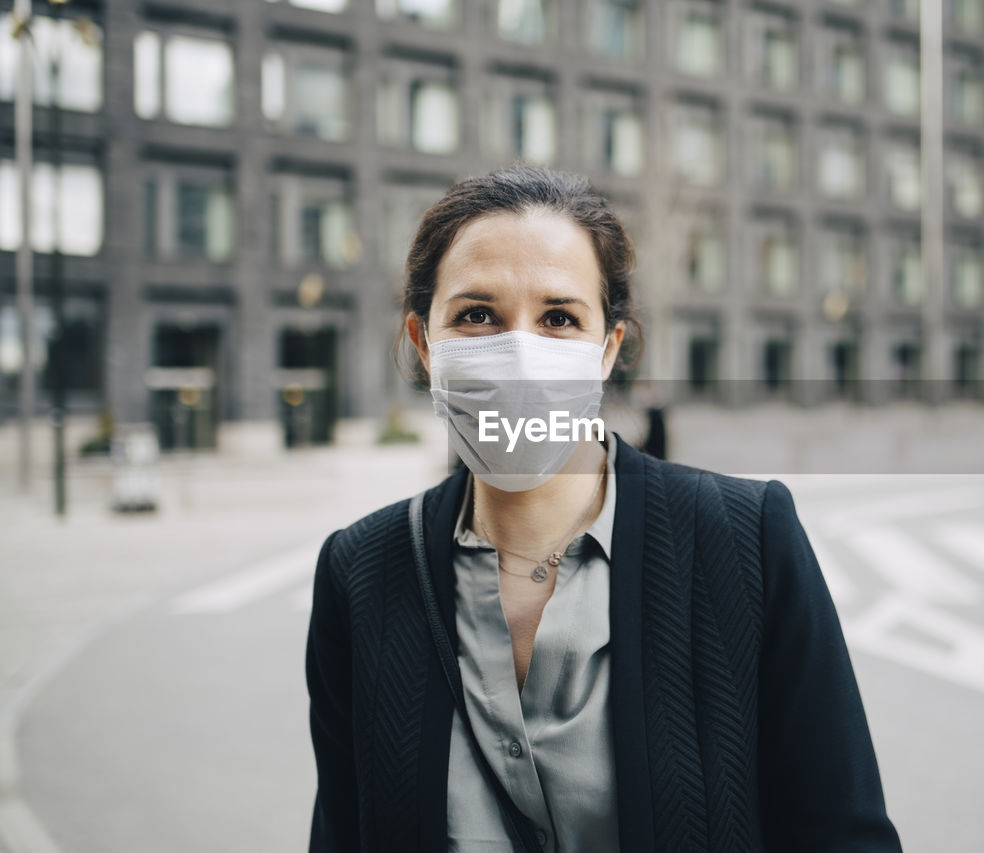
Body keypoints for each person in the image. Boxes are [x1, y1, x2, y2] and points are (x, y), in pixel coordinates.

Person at [305, 165, 901, 852]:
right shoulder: (360, 573)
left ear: (608, 349)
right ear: (422, 344)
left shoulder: (745, 543)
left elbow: (843, 834)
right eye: (477, 316)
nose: (520, 354)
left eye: (559, 317)